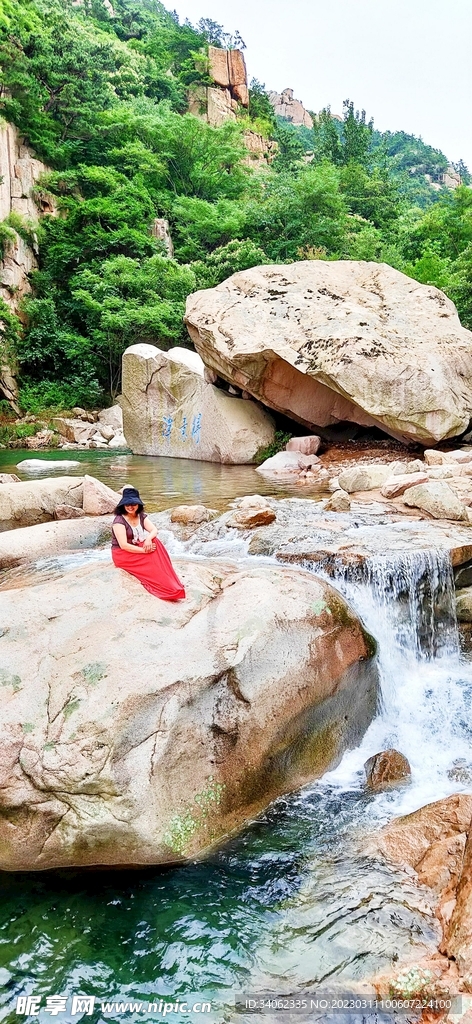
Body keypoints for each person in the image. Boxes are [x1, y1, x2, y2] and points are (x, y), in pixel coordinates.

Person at [111, 486, 185, 601]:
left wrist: (148, 539)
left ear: (138, 505)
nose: (131, 507)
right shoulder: (119, 521)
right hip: (123, 554)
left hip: (136, 547)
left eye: (133, 504)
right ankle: (166, 586)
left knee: (156, 541)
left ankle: (170, 580)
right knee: (151, 556)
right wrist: (144, 551)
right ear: (123, 506)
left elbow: (154, 530)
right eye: (127, 504)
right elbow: (123, 545)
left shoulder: (140, 516)